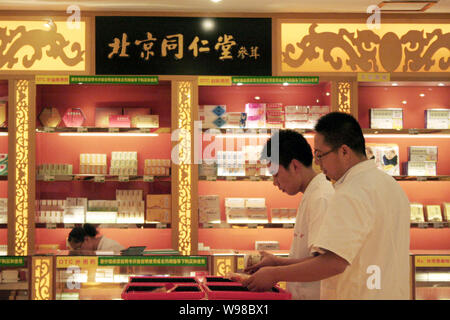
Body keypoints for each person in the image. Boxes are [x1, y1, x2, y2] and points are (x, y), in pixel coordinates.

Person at [243, 112, 410, 300]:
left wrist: (275, 273)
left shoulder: (350, 192)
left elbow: (333, 262)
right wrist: (277, 264)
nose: (317, 163)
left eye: (320, 155)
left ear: (344, 151)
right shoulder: (390, 186)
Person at [245, 129, 334, 300]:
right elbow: (312, 259)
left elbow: (325, 264)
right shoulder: (312, 194)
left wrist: (276, 273)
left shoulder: (321, 198)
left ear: (294, 166)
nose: (275, 183)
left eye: (276, 175)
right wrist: (277, 262)